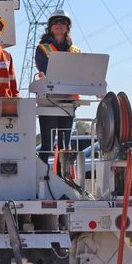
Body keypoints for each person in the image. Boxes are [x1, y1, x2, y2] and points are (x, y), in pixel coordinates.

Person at [35, 10, 81, 164]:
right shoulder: (43, 48)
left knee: (64, 145)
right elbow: (45, 69)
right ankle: (42, 177)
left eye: (63, 22)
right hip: (49, 99)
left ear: (68, 27)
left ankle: (64, 178)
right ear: (50, 27)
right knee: (47, 144)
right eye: (55, 22)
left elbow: (81, 72)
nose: (59, 25)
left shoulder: (75, 51)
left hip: (68, 101)